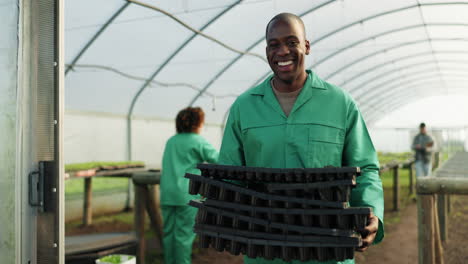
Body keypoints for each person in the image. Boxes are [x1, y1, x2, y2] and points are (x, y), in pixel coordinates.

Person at [218, 13, 384, 264]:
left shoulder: (340, 103)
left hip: (328, 249)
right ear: (266, 51)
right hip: (265, 251)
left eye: (291, 42)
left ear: (306, 45)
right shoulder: (244, 107)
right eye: (274, 45)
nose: (282, 51)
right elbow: (228, 176)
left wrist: (371, 211)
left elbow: (366, 168)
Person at [160, 107, 219, 264]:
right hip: (187, 194)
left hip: (167, 194)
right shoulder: (197, 141)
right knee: (183, 237)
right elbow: (218, 159)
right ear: (197, 124)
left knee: (168, 234)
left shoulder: (171, 141)